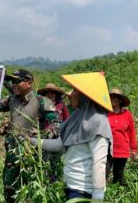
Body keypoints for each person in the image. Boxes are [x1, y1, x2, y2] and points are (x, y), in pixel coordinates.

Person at [31, 72, 113, 202]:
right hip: (72, 186)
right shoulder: (75, 118)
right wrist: (32, 141)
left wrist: (97, 197)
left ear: (85, 96)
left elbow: (99, 163)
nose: (71, 94)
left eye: (75, 90)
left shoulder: (98, 122)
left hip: (85, 191)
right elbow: (59, 144)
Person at [0, 69, 59, 203]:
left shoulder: (41, 101)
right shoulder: (10, 100)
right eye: (12, 81)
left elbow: (58, 123)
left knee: (33, 188)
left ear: (29, 83)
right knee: (10, 188)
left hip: (34, 155)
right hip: (12, 155)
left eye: (17, 81)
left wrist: (43, 134)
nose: (13, 84)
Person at [37, 83, 70, 181]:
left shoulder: (61, 106)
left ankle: (56, 180)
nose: (50, 95)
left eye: (52, 93)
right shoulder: (40, 106)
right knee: (44, 160)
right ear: (44, 95)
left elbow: (67, 120)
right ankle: (45, 180)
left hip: (58, 138)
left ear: (56, 94)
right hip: (44, 137)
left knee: (57, 160)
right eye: (47, 93)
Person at [106, 88, 138, 186]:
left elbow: (132, 132)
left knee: (118, 176)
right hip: (107, 149)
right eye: (111, 97)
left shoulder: (127, 114)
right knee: (103, 173)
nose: (113, 99)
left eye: (116, 98)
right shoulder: (105, 113)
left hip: (122, 150)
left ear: (120, 100)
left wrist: (134, 149)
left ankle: (119, 197)